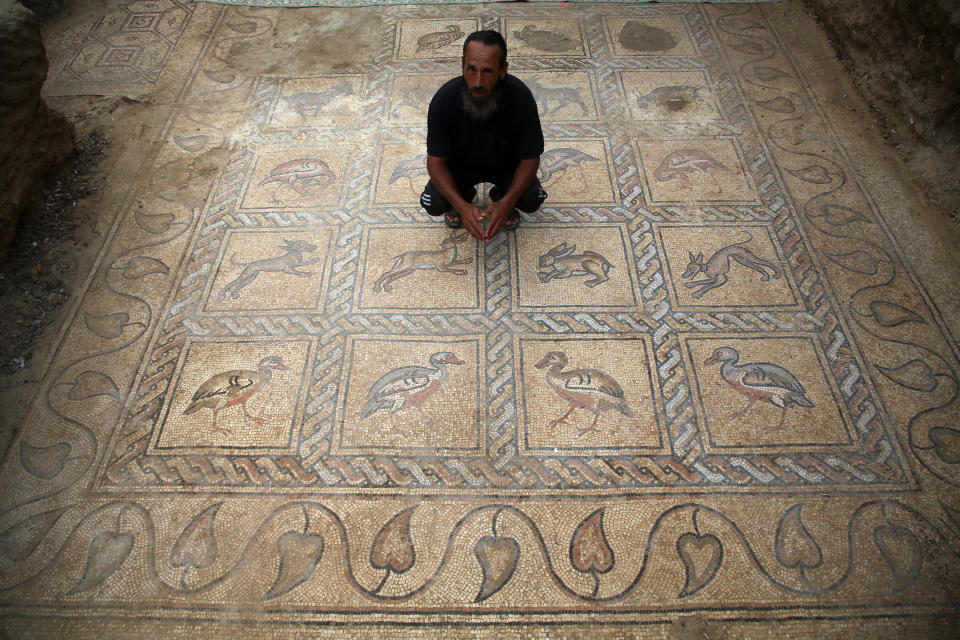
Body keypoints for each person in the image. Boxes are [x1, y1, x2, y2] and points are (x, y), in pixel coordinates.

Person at [420, 30, 547, 241]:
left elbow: (531, 158)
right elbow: (435, 162)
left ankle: (499, 196)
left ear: (503, 70)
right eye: (471, 69)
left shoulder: (521, 99)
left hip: (506, 167)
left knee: (532, 198)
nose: (477, 81)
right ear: (462, 65)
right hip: (460, 169)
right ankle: (464, 196)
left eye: (487, 71)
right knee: (432, 202)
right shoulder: (444, 100)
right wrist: (461, 206)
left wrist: (506, 203)